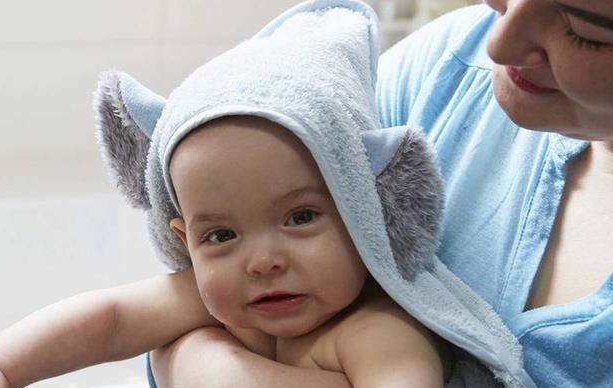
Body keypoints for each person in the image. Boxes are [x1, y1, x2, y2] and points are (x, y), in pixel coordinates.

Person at [0, 2, 471, 387]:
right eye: (221, 234)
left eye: (300, 217)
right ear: (186, 239)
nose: (262, 261)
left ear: (367, 213)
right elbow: (111, 319)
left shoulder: (378, 333)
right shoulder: (225, 296)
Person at [149, 0, 613, 387]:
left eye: (584, 31)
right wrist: (194, 362)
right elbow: (148, 313)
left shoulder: (382, 339)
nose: (500, 42)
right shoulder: (446, 68)